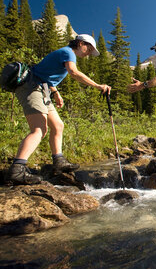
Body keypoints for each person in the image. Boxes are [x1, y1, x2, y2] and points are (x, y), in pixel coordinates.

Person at [7, 34, 112, 185]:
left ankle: (59, 161)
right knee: (39, 129)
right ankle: (17, 170)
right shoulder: (68, 52)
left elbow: (45, 74)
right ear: (81, 43)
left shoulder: (66, 53)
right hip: (31, 87)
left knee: (58, 125)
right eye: (88, 49)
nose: (89, 53)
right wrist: (98, 86)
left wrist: (55, 93)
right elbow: (73, 72)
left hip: (42, 88)